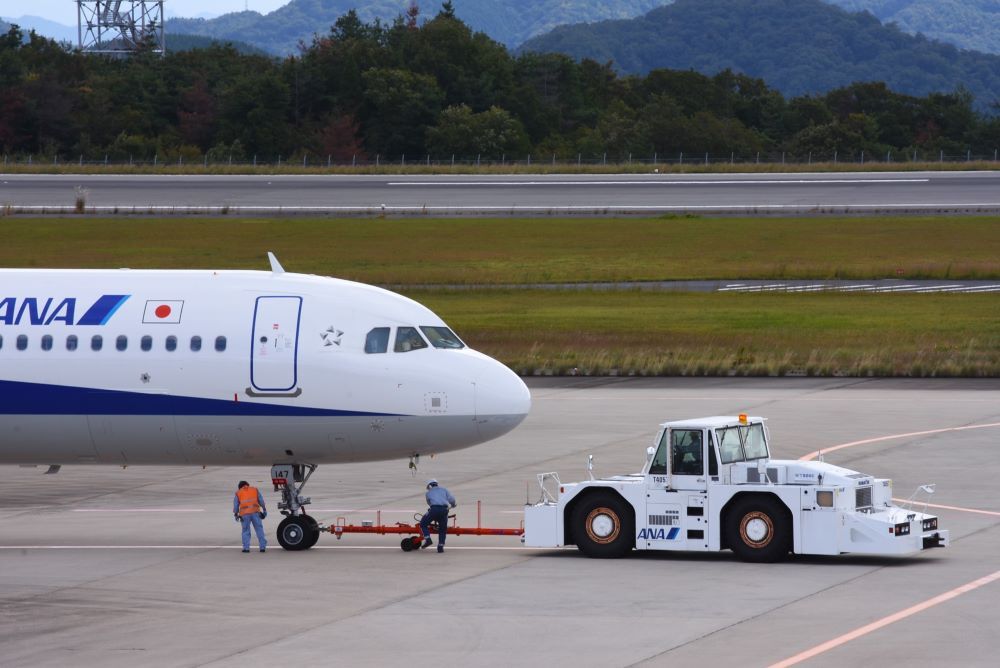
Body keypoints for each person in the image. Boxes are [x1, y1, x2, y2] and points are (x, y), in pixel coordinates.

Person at [419, 479, 456, 553]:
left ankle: (428, 539)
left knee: (423, 524)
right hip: (444, 510)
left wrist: (433, 510)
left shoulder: (428, 493)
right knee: (442, 529)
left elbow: (429, 503)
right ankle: (440, 547)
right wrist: (453, 505)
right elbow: (452, 499)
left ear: (429, 486)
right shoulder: (444, 489)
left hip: (434, 510)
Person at [233, 480, 268, 553]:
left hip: (244, 514)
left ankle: (246, 548)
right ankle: (262, 547)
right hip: (255, 513)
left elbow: (236, 505)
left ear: (240, 487)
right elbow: (261, 501)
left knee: (245, 531)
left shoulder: (238, 493)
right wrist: (264, 510)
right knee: (259, 530)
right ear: (247, 485)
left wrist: (236, 514)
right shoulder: (254, 490)